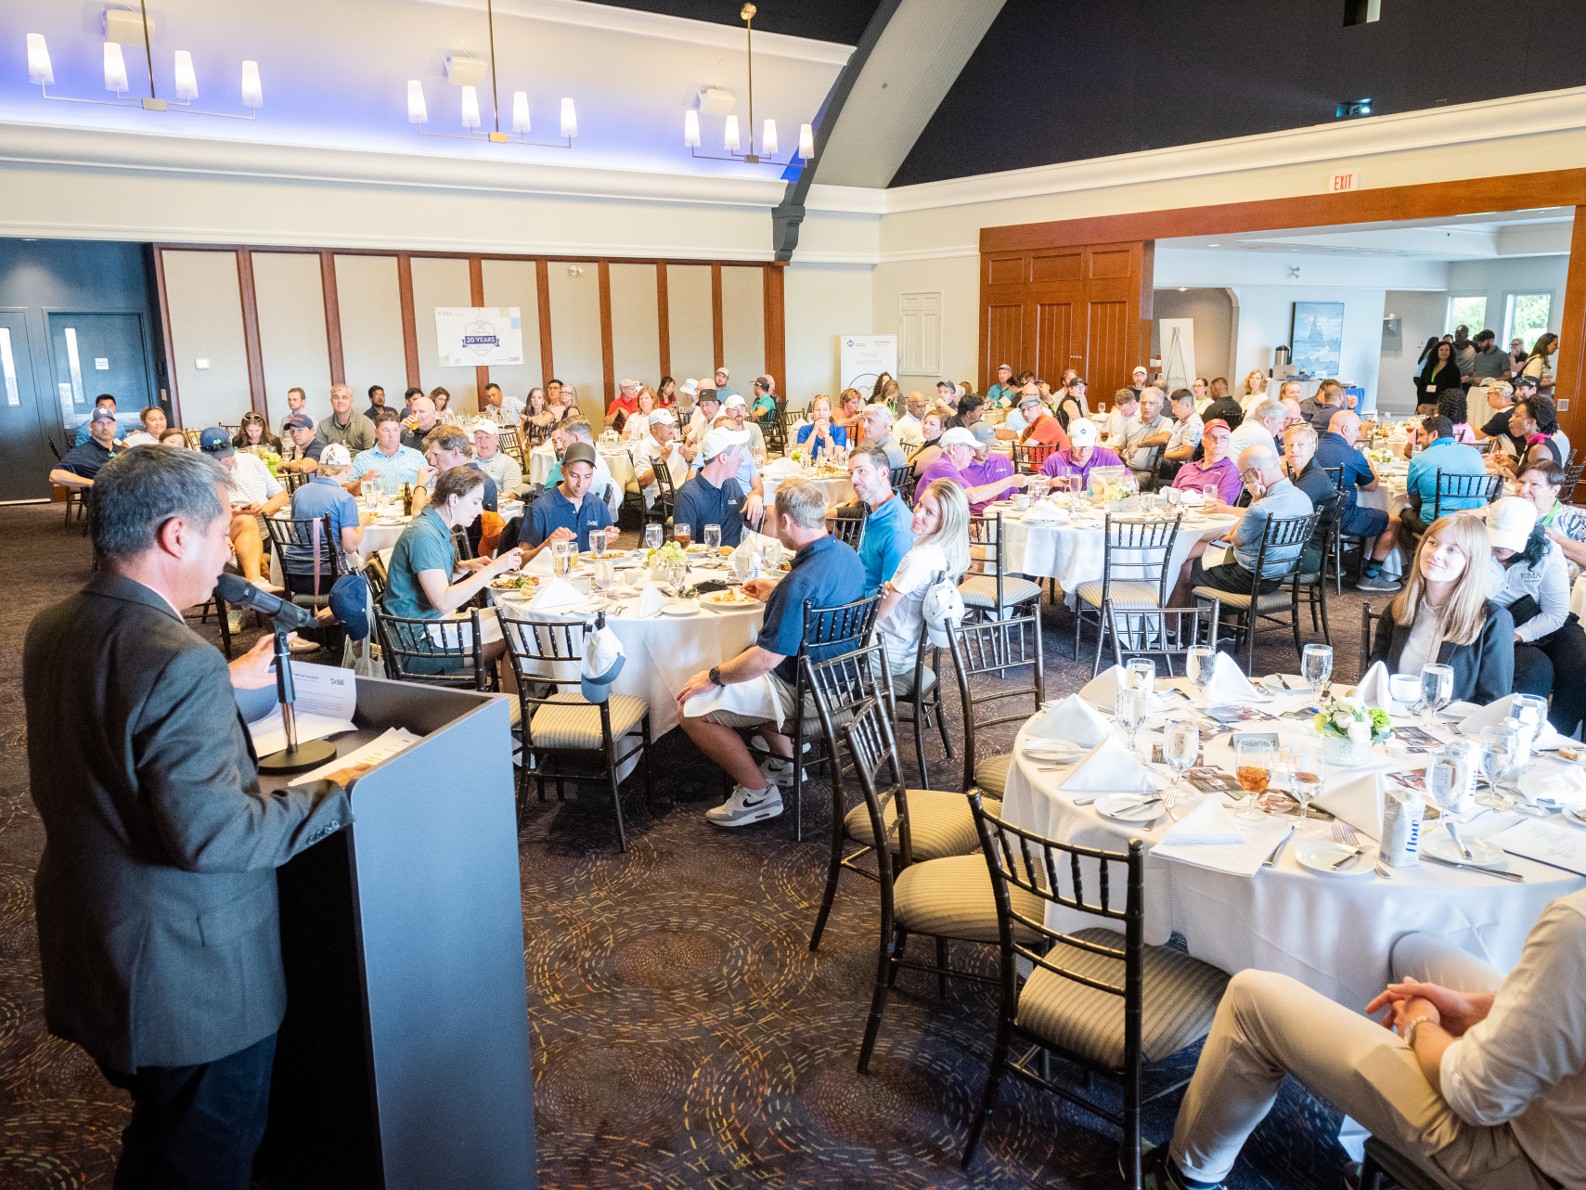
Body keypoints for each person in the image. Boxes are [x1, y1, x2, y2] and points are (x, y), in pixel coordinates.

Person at [23, 445, 352, 1189]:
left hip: (97, 944)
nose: (229, 548)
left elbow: (108, 731)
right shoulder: (179, 658)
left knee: (164, 1139)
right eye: (224, 526)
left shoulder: (52, 626)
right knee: (206, 1160)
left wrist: (216, 692)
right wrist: (344, 793)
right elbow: (215, 836)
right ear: (176, 535)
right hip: (187, 977)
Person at [1148, 887, 1585, 1190]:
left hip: (1532, 1165)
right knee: (1415, 951)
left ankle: (1184, 1177)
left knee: (1251, 998)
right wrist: (1471, 1009)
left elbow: (1475, 1096)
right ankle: (1378, 1130)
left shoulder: (1575, 925)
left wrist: (1420, 1024)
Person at [676, 480, 866, 827]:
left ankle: (757, 793)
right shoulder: (846, 554)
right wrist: (777, 589)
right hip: (843, 677)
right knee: (743, 656)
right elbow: (821, 595)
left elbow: (765, 660)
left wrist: (712, 676)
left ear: (787, 522)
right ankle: (788, 764)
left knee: (690, 708)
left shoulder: (799, 584)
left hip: (808, 691)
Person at [383, 467, 525, 670]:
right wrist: (493, 568)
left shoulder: (434, 524)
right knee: (518, 637)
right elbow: (444, 601)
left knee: (513, 621)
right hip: (416, 643)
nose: (480, 510)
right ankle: (515, 701)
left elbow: (431, 576)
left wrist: (465, 567)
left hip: (428, 626)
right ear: (454, 500)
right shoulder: (424, 535)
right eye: (476, 502)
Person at [1170, 444, 1312, 607]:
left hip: (1247, 578)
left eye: (1244, 477)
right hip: (1277, 576)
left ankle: (1174, 627)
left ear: (1256, 474)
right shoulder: (1303, 498)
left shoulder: (1260, 508)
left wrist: (1255, 499)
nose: (1245, 482)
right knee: (1211, 550)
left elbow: (1234, 539)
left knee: (1185, 566)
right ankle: (1222, 627)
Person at [874, 479, 970, 689]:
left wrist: (881, 594)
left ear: (945, 523)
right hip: (910, 647)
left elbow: (880, 614)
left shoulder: (917, 560)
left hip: (886, 653)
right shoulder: (945, 554)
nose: (917, 514)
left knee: (816, 648)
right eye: (920, 504)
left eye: (929, 513)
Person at [1315, 411, 1402, 592]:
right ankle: (1370, 576)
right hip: (1341, 517)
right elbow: (1371, 486)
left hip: (1308, 515)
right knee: (1394, 522)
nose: (1358, 434)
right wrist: (1370, 465)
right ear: (1345, 429)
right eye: (1356, 430)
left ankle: (1331, 561)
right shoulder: (1352, 455)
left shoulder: (1309, 446)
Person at [198, 427, 287, 597]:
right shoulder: (199, 475)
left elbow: (282, 496)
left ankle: (240, 608)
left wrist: (264, 508)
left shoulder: (251, 461)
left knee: (250, 545)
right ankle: (258, 586)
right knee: (248, 531)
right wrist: (226, 513)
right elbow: (196, 518)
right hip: (221, 535)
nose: (223, 461)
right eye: (216, 459)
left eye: (226, 455)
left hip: (265, 533)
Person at [282, 442, 362, 597]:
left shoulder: (299, 493)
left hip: (294, 574)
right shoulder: (344, 498)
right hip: (329, 577)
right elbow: (350, 546)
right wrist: (363, 523)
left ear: (320, 466)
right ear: (348, 468)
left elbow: (293, 532)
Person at [1401, 415, 1488, 540]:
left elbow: (1415, 501)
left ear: (1434, 435)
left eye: (1421, 435)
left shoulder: (1419, 459)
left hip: (1437, 523)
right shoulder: (1474, 453)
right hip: (1474, 521)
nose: (1418, 440)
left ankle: (1416, 556)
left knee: (1402, 514)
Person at [845, 445, 914, 597]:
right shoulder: (873, 510)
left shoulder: (897, 531)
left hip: (861, 609)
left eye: (861, 471)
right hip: (853, 588)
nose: (853, 479)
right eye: (851, 473)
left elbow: (887, 595)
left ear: (883, 473)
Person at [919, 427, 1028, 515]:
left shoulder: (946, 466)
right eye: (969, 448)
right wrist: (1011, 481)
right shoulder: (942, 467)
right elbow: (973, 496)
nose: (972, 453)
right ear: (953, 448)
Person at [675, 428, 748, 548]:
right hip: (705, 564)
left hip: (738, 561)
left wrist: (755, 497)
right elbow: (686, 549)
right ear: (723, 458)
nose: (742, 458)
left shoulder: (732, 484)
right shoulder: (687, 496)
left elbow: (751, 518)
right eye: (738, 452)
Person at [1521, 460, 1586, 570]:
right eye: (1521, 482)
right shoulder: (1508, 509)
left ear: (1554, 490)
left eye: (1534, 484)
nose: (1523, 490)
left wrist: (1554, 538)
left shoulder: (1576, 518)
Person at [351, 412, 429, 497]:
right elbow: (346, 490)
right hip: (376, 508)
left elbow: (431, 487)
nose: (391, 435)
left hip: (408, 507)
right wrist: (363, 481)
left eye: (395, 430)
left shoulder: (416, 456)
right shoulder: (363, 458)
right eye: (386, 430)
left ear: (400, 431)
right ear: (376, 433)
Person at [628, 407, 689, 511]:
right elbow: (642, 483)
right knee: (691, 503)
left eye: (672, 424)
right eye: (666, 425)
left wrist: (688, 459)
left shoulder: (674, 445)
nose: (671, 428)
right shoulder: (643, 447)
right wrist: (661, 460)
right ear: (653, 427)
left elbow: (683, 472)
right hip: (657, 497)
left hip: (678, 491)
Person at [1170, 419, 1242, 505]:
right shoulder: (1187, 468)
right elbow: (1170, 495)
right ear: (1203, 441)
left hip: (1204, 514)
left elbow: (1222, 504)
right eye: (1212, 437)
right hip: (1177, 511)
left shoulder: (1231, 472)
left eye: (1224, 437)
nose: (1218, 441)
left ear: (1228, 442)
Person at [50, 405, 122, 489]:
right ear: (90, 426)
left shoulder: (124, 451)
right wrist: (93, 483)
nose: (105, 427)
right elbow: (55, 475)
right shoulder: (83, 453)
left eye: (109, 423)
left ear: (115, 427)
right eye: (100, 423)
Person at [1038, 418, 1124, 488]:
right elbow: (1036, 488)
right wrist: (1050, 483)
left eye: (1087, 447)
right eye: (1078, 446)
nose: (1083, 452)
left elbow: (1130, 481)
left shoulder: (1108, 457)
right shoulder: (1055, 460)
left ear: (1095, 441)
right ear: (1069, 440)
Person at [1495, 394, 1568, 475]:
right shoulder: (1537, 443)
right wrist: (1510, 464)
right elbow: (1526, 476)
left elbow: (1534, 484)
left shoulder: (1538, 449)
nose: (1510, 420)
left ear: (1531, 421)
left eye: (1517, 415)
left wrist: (1503, 470)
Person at [1121, 386, 1172, 486]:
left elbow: (1164, 438)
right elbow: (1118, 448)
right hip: (1126, 469)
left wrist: (1138, 444)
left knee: (1125, 485)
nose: (1147, 407)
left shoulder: (1165, 422)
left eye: (1152, 403)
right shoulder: (1132, 422)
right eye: (1144, 403)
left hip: (1146, 473)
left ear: (1160, 406)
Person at [314, 384, 375, 453]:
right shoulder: (323, 426)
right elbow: (320, 454)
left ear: (351, 401)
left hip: (360, 462)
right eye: (336, 397)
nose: (340, 401)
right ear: (331, 401)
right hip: (333, 463)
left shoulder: (366, 423)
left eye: (344, 397)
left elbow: (371, 454)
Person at [472, 419, 524, 496]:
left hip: (494, 505)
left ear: (497, 439)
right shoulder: (467, 460)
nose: (482, 441)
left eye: (487, 437)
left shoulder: (508, 463)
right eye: (479, 437)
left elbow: (511, 495)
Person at [1161, 389, 1203, 475]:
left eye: (1175, 407)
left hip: (1178, 466)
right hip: (1170, 461)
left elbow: (1186, 454)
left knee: (1146, 460)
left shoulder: (1194, 424)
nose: (1173, 411)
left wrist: (1164, 455)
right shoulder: (1181, 420)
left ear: (1187, 405)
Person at [796, 395, 849, 460]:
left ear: (830, 412)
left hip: (831, 469)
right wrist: (814, 432)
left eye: (825, 410)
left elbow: (834, 457)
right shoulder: (804, 429)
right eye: (817, 410)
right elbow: (801, 455)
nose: (821, 413)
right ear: (813, 411)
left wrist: (826, 433)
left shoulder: (840, 430)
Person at [858, 403, 908, 468]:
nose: (864, 425)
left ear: (884, 426)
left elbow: (871, 477)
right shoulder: (887, 442)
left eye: (870, 421)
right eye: (864, 420)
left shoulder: (886, 453)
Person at [1418, 340, 1464, 406]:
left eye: (1446, 350)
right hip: (1426, 402)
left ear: (1450, 352)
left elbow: (1456, 389)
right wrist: (1420, 403)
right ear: (1436, 351)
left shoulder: (1454, 368)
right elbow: (1421, 386)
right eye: (1441, 350)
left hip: (1444, 405)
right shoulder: (1429, 367)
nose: (1443, 352)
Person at [1521, 332, 1559, 398]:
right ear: (1546, 344)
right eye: (1555, 345)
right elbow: (1532, 383)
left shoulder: (1542, 359)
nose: (1557, 347)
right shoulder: (1537, 360)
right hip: (1536, 401)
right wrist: (1553, 383)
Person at [908, 411, 946, 476]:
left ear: (942, 430)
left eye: (932, 424)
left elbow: (908, 471)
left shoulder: (936, 449)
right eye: (925, 422)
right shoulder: (927, 442)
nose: (926, 426)